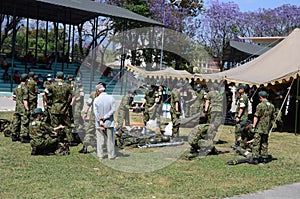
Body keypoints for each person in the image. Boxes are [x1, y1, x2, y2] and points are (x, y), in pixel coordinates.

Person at [44, 71, 73, 147]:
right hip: (64, 108)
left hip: (54, 108)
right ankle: (70, 140)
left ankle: (56, 140)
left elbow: (45, 93)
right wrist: (68, 102)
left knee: (55, 125)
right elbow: (72, 95)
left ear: (56, 77)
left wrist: (47, 102)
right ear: (63, 77)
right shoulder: (68, 86)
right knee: (67, 125)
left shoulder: (52, 85)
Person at [250, 91, 275, 164]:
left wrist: (253, 126)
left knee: (256, 142)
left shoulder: (260, 105)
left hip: (259, 127)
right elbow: (272, 118)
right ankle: (264, 158)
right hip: (266, 128)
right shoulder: (272, 106)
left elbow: (256, 116)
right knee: (264, 142)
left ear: (260, 97)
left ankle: (255, 158)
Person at [93, 82, 117, 160]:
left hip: (99, 123)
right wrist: (106, 117)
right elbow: (113, 110)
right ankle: (111, 155)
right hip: (109, 122)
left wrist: (100, 121)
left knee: (100, 139)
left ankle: (100, 155)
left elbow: (96, 113)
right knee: (110, 139)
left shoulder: (96, 99)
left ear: (98, 91)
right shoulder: (111, 98)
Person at [11, 73, 30, 143]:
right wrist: (27, 109)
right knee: (24, 121)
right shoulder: (25, 88)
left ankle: (14, 135)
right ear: (26, 80)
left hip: (17, 107)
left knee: (16, 121)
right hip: (22, 107)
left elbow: (14, 98)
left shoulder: (16, 87)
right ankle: (23, 137)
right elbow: (25, 100)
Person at [78, 88, 99, 154]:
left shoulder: (103, 95)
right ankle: (86, 146)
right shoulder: (93, 94)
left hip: (99, 116)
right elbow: (88, 104)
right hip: (96, 116)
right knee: (91, 131)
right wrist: (85, 112)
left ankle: (95, 146)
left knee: (92, 131)